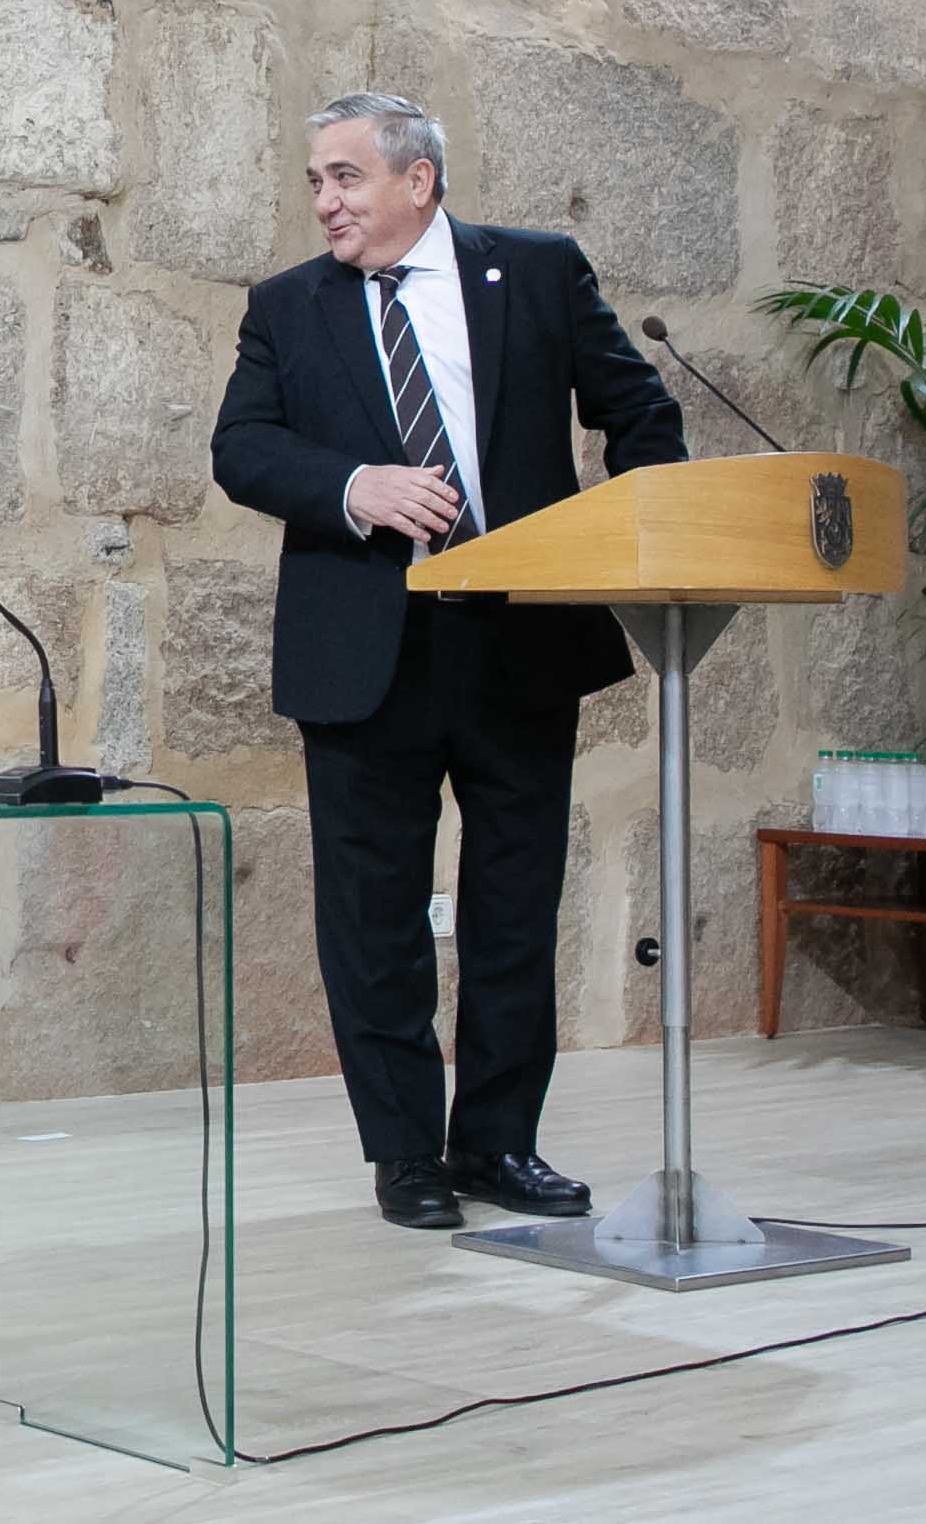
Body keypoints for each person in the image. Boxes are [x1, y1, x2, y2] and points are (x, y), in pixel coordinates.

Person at [209, 92, 682, 1236]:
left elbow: (640, 414)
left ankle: (496, 1140)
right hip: (364, 649)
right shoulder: (286, 306)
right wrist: (350, 485)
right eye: (314, 180)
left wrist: (626, 541)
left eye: (343, 177)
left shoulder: (533, 271)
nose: (323, 200)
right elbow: (241, 447)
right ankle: (403, 1153)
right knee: (373, 918)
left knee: (515, 905)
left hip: (517, 633)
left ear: (415, 179)